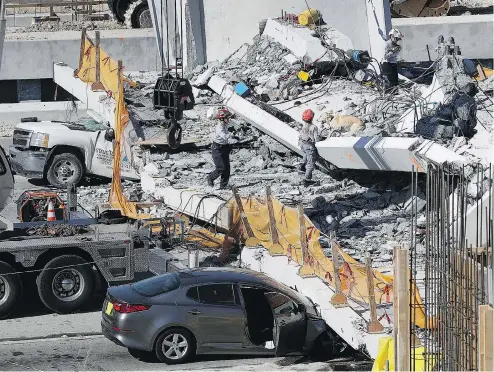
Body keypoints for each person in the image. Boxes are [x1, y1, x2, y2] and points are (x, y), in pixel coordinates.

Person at [207, 108, 233, 189]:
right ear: (222, 119)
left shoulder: (225, 125)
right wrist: (232, 135)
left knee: (227, 168)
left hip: (224, 147)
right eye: (227, 118)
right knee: (221, 167)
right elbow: (224, 136)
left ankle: (223, 186)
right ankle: (210, 178)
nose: (229, 119)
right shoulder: (219, 127)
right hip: (217, 148)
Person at [298, 109, 319, 187]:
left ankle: (301, 168)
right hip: (309, 146)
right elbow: (316, 139)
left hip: (302, 144)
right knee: (310, 163)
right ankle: (306, 180)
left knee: (305, 157)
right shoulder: (314, 127)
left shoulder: (304, 126)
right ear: (312, 117)